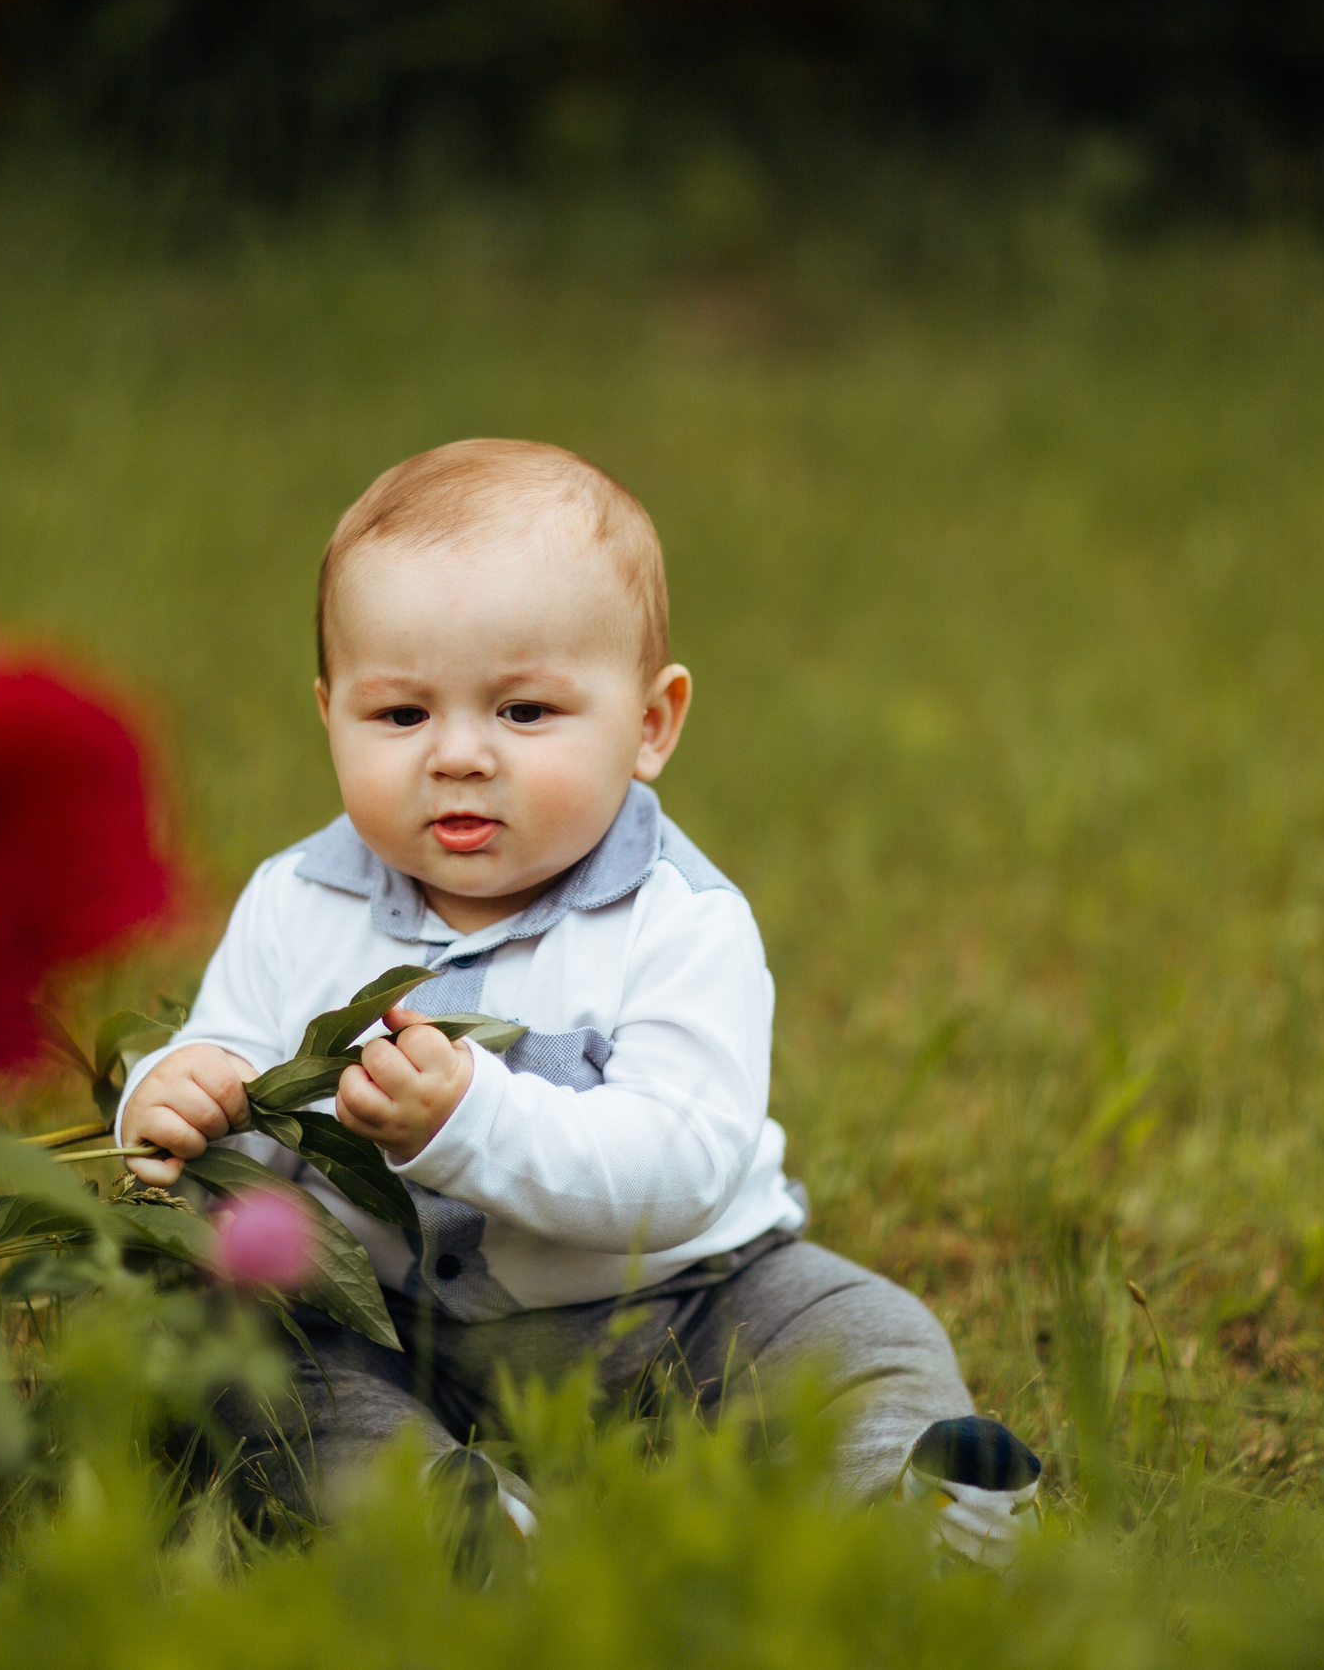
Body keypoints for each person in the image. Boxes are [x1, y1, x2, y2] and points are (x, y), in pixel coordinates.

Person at [116, 438, 1040, 1562]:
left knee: (857, 1331)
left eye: (525, 712)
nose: (458, 756)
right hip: (382, 1323)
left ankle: (910, 1494)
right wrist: (174, 1096)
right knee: (247, 1361)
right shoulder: (296, 902)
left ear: (651, 725)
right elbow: (236, 1070)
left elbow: (685, 1166)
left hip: (675, 1310)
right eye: (400, 716)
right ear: (328, 713)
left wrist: (473, 1126)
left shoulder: (679, 922)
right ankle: (448, 1522)